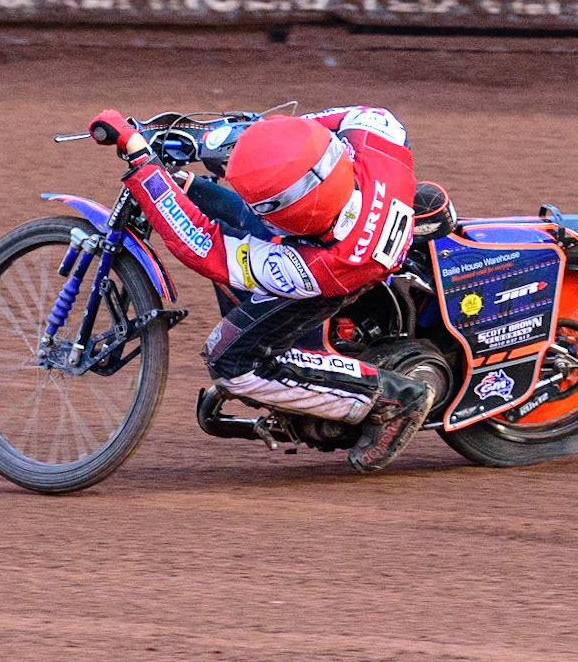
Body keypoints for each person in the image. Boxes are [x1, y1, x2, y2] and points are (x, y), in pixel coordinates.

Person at [88, 104, 431, 472]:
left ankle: (394, 399)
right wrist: (224, 139)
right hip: (370, 209)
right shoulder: (377, 130)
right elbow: (295, 132)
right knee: (240, 203)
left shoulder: (313, 268)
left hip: (344, 270)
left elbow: (205, 246)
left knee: (230, 359)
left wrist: (144, 166)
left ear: (289, 216)